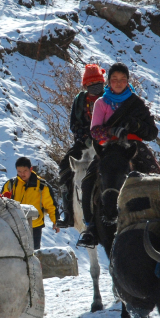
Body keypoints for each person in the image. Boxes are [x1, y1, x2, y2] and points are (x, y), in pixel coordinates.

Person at [77, 63, 160, 248]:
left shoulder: (136, 103)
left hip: (134, 146)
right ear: (108, 81)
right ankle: (90, 228)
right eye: (114, 79)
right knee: (88, 182)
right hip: (108, 148)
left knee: (158, 176)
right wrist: (111, 130)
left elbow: (152, 132)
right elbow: (95, 132)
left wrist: (135, 125)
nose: (118, 83)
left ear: (128, 81)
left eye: (123, 79)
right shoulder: (101, 103)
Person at [56, 64, 106, 227]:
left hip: (106, 141)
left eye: (99, 84)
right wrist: (84, 137)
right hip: (84, 141)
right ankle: (69, 212)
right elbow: (74, 124)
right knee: (65, 166)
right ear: (85, 85)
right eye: (92, 85)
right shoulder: (80, 100)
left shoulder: (109, 97)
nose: (96, 88)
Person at [1, 157, 58, 250]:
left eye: (25, 171)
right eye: (19, 171)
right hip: (14, 225)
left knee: (33, 254)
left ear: (31, 169)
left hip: (35, 226)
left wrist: (55, 222)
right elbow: (1, 202)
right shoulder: (11, 184)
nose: (22, 174)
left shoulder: (42, 185)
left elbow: (51, 205)